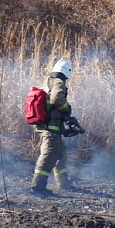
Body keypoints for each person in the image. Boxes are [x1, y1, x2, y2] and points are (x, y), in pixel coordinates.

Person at [31, 59, 74, 195]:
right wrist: (67, 109)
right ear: (67, 72)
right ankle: (38, 186)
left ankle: (64, 183)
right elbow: (57, 99)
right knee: (48, 155)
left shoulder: (49, 81)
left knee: (60, 154)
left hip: (50, 126)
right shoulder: (58, 82)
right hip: (51, 127)